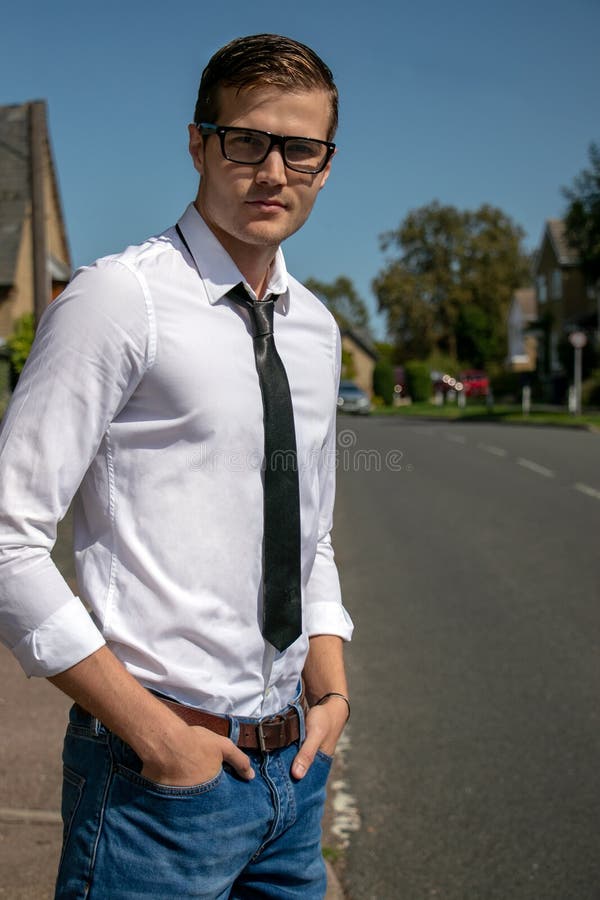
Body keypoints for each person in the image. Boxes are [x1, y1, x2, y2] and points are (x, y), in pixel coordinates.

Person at [0, 33, 353, 900]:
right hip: (157, 786)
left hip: (292, 781)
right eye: (247, 140)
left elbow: (307, 530)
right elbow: (7, 539)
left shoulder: (316, 329)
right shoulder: (119, 300)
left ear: (326, 165)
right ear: (197, 143)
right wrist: (158, 739)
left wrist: (332, 696)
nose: (273, 169)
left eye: (299, 148)